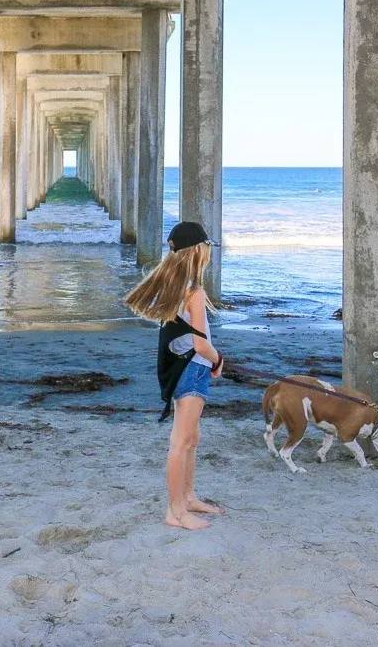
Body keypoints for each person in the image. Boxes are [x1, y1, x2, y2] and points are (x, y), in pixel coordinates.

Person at [125, 221, 225, 530]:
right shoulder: (193, 291)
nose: (209, 251)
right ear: (197, 250)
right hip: (193, 369)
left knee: (192, 438)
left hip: (188, 367)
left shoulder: (178, 287)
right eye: (206, 246)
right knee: (181, 443)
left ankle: (189, 498)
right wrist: (218, 358)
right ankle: (175, 512)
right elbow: (199, 342)